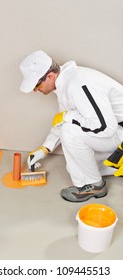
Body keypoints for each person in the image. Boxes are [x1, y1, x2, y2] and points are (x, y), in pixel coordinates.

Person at [19, 50, 123, 202]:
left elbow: (105, 127)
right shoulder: (64, 85)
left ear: (50, 76)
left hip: (116, 131)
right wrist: (44, 149)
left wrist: (68, 116)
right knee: (75, 166)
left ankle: (95, 186)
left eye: (36, 85)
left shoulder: (79, 84)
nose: (36, 90)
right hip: (117, 133)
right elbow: (62, 121)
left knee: (71, 133)